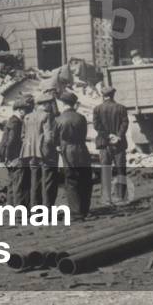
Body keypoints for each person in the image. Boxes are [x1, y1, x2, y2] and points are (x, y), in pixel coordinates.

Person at [54, 91, 93, 219]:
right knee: (85, 179)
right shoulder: (81, 118)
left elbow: (54, 139)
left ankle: (76, 212)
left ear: (63, 104)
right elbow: (84, 134)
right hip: (82, 149)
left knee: (71, 181)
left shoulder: (58, 119)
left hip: (67, 150)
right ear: (73, 104)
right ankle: (85, 209)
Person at [93, 85, 129, 204]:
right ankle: (121, 197)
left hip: (104, 144)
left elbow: (97, 126)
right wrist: (117, 136)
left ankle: (107, 198)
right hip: (119, 144)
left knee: (105, 170)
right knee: (121, 170)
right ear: (113, 95)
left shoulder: (97, 109)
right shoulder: (121, 108)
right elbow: (125, 124)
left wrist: (108, 135)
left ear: (103, 96)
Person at [22, 88, 57, 207]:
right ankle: (47, 211)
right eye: (50, 104)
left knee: (34, 181)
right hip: (44, 153)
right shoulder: (46, 116)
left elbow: (23, 136)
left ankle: (35, 210)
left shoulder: (27, 117)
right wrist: (51, 151)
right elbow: (48, 137)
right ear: (46, 104)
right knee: (47, 181)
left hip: (30, 153)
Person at [0, 96, 31, 206]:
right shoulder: (16, 123)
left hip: (9, 157)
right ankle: (20, 213)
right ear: (20, 110)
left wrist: (4, 157)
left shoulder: (11, 120)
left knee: (12, 184)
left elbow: (4, 142)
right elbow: (11, 141)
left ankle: (11, 208)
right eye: (27, 111)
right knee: (20, 185)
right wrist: (11, 158)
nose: (27, 114)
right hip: (15, 157)